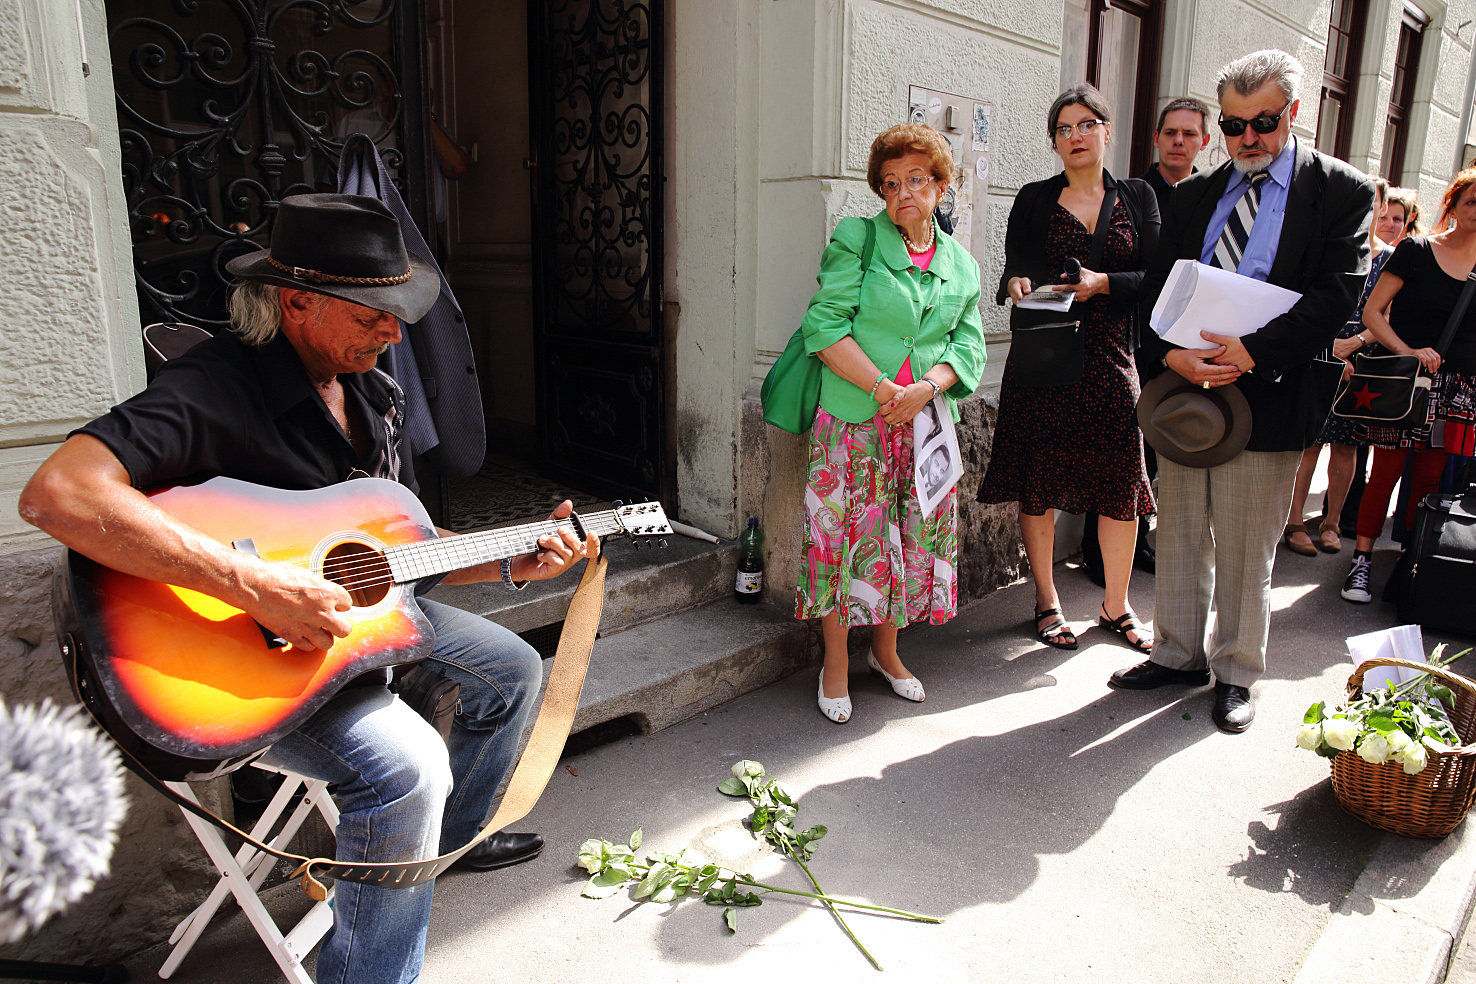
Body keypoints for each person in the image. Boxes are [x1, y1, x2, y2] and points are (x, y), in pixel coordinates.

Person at [17, 195, 597, 984]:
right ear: (295, 302)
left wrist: (510, 562)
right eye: (373, 316)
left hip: (357, 628)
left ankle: (444, 845)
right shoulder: (215, 387)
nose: (394, 334)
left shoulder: (372, 396)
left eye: (397, 314)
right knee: (409, 770)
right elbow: (60, 494)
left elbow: (398, 552)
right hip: (230, 662)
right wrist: (251, 583)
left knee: (513, 670)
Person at [1109, 49, 1376, 733]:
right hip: (1189, 394)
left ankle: (1234, 671)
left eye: (1262, 122)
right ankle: (1176, 653)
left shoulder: (1341, 192)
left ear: (1292, 113)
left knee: (1245, 548)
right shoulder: (1197, 193)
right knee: (1178, 536)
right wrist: (1173, 356)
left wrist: (1251, 352)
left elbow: (1334, 297)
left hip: (1272, 392)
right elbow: (1159, 295)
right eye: (1232, 125)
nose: (1247, 138)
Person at [796, 123, 986, 724]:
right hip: (855, 418)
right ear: (881, 190)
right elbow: (823, 327)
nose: (905, 191)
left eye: (918, 179)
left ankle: (886, 651)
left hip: (924, 427)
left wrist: (926, 389)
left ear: (941, 184)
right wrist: (885, 390)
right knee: (841, 541)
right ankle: (834, 662)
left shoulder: (960, 263)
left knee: (903, 541)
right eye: (891, 182)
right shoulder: (857, 239)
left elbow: (970, 343)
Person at [978, 84, 1160, 654]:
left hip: (1110, 358)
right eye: (1064, 128)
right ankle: (1047, 599)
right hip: (1045, 357)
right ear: (1054, 141)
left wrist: (1102, 284)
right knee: (1040, 482)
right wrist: (1016, 284)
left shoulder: (1139, 198)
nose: (1076, 136)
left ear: (1107, 130)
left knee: (1121, 485)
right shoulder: (1034, 197)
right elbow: (1016, 266)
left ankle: (1116, 605)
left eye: (1086, 124)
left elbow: (1157, 279)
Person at [1081, 96, 1213, 585]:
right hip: (1130, 339)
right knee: (1121, 450)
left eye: (1190, 134)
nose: (1179, 141)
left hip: (1185, 343)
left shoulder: (1209, 198)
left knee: (1155, 452)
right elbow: (1133, 272)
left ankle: (1137, 543)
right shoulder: (1130, 194)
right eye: (1171, 132)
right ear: (1156, 138)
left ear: (1204, 142)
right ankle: (1097, 553)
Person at [1340, 168, 1476, 603]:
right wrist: (1409, 350)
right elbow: (1374, 313)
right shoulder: (1416, 250)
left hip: (1459, 387)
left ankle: (1408, 563)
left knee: (1431, 480)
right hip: (1409, 380)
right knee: (1385, 473)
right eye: (1472, 201)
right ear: (1451, 204)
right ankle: (1361, 561)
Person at [1283, 177, 1393, 556]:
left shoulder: (1390, 258)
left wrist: (1355, 344)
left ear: (1381, 206)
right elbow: (1307, 302)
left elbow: (1389, 314)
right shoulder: (1331, 247)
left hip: (1366, 361)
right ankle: (1294, 521)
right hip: (1320, 349)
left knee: (1347, 447)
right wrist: (1330, 347)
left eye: (1374, 203)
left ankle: (1332, 522)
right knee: (1309, 444)